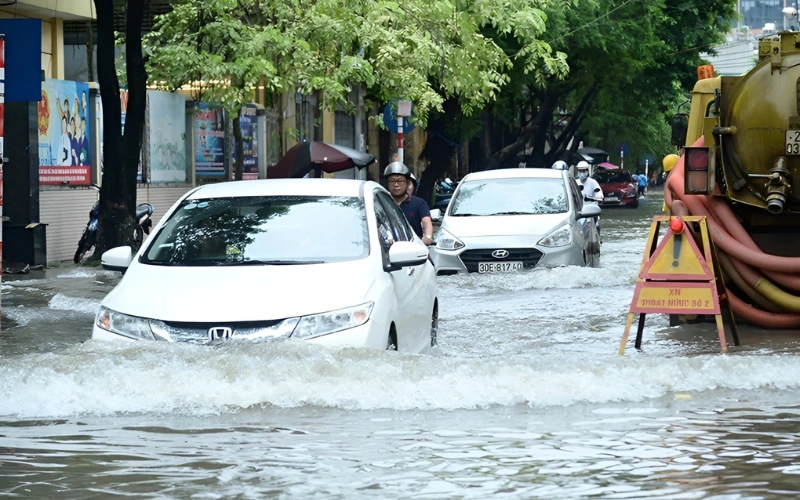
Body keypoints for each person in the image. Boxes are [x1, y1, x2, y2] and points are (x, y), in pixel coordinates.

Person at [384, 161, 433, 246]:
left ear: (407, 183)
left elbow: (426, 222)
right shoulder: (381, 202)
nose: (396, 184)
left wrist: (428, 237)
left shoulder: (419, 203)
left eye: (400, 181)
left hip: (414, 247)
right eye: (392, 181)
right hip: (386, 247)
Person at [577, 161, 603, 234]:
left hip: (591, 211)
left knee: (596, 226)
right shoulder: (575, 182)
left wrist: (597, 197)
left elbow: (599, 194)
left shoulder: (593, 182)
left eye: (583, 171)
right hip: (579, 212)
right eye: (580, 171)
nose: (581, 173)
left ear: (587, 171)